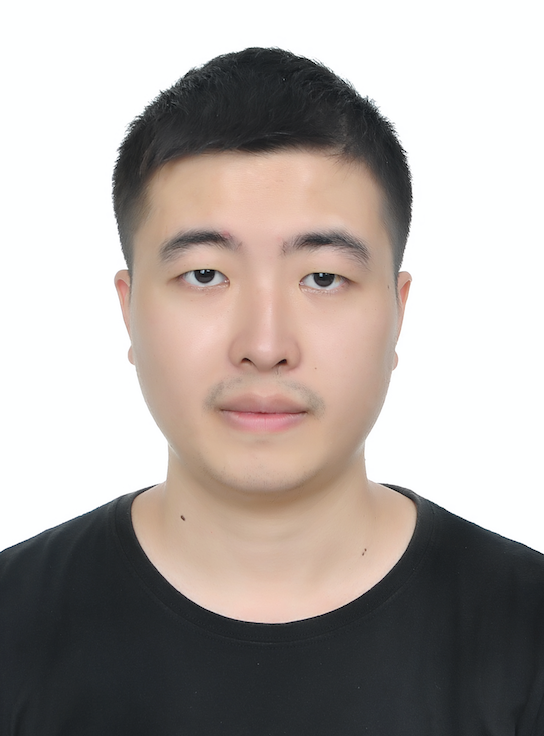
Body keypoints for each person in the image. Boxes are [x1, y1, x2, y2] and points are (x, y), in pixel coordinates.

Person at [1, 47, 543, 735]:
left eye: (323, 278)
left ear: (398, 310)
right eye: (205, 275)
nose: (264, 344)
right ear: (128, 309)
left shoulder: (527, 636)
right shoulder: (14, 627)